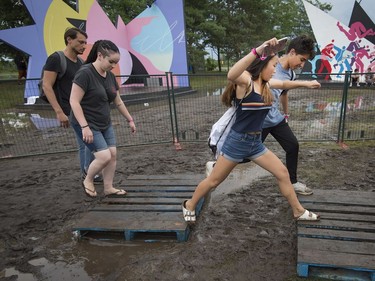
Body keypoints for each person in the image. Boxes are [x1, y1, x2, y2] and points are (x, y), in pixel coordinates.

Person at [183, 37, 321, 222]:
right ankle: (189, 204)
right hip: (237, 143)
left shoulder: (266, 85)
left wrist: (306, 84)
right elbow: (232, 74)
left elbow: (285, 84)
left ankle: (298, 211)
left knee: (282, 173)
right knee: (214, 181)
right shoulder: (246, 83)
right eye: (272, 66)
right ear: (262, 66)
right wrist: (258, 50)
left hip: (255, 144)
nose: (275, 70)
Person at [70, 40, 136, 197]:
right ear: (100, 56)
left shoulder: (111, 77)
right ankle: (88, 179)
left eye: (116, 62)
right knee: (103, 156)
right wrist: (84, 127)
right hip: (87, 122)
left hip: (104, 122)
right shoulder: (85, 73)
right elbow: (74, 101)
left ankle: (108, 188)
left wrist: (130, 119)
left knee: (112, 154)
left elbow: (118, 101)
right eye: (111, 61)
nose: (113, 65)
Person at [262, 35, 317, 196]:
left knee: (293, 145)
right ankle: (216, 165)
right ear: (292, 52)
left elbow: (283, 93)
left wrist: (285, 114)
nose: (302, 64)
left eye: (305, 61)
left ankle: (293, 182)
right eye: (301, 59)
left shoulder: (291, 75)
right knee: (245, 155)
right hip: (259, 119)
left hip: (275, 118)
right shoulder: (271, 64)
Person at [41, 27, 98, 181]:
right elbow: (47, 85)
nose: (84, 46)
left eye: (85, 42)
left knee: (85, 143)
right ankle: (89, 173)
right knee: (90, 142)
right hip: (69, 110)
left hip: (82, 108)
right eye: (80, 42)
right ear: (69, 39)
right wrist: (59, 112)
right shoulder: (56, 59)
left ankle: (88, 172)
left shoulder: (79, 61)